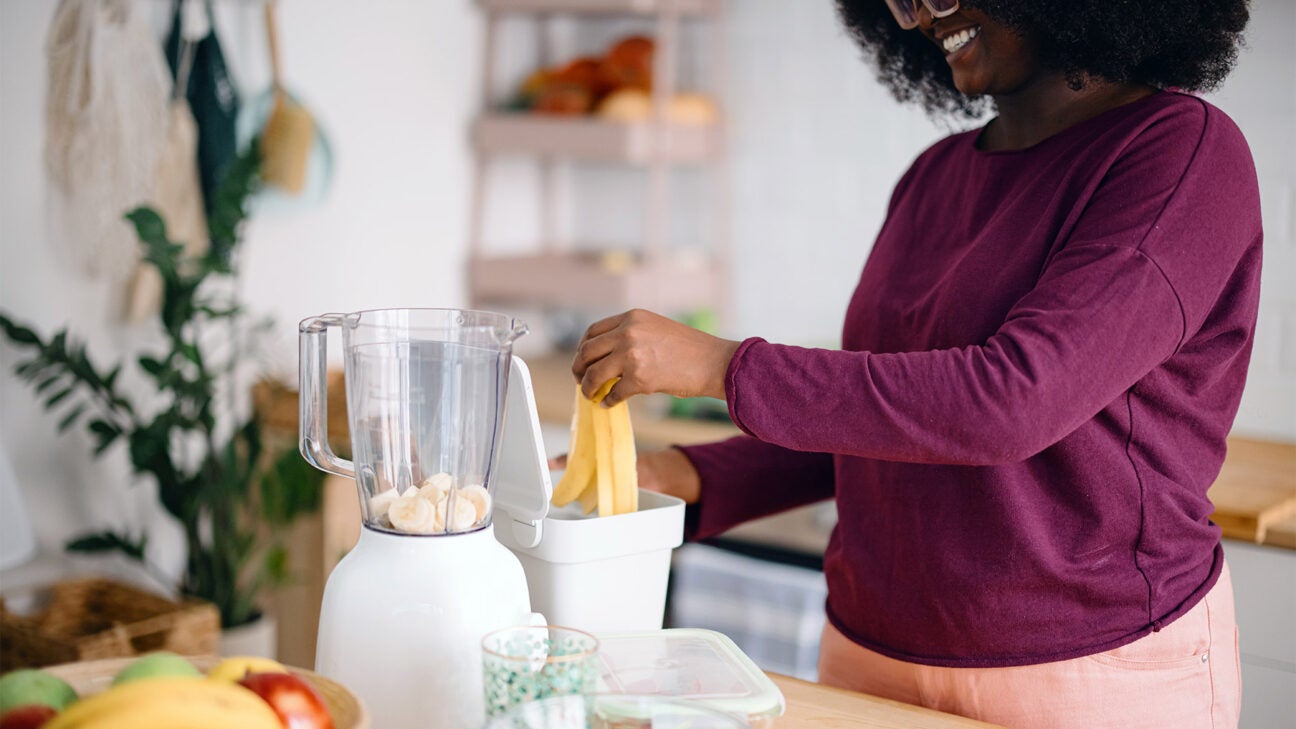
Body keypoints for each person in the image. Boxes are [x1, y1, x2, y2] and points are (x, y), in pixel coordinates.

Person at [565, 0, 1261, 727]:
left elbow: (1009, 402)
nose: (922, 13)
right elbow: (891, 423)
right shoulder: (932, 177)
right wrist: (686, 475)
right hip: (867, 662)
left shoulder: (1180, 153)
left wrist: (724, 366)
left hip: (1090, 670)